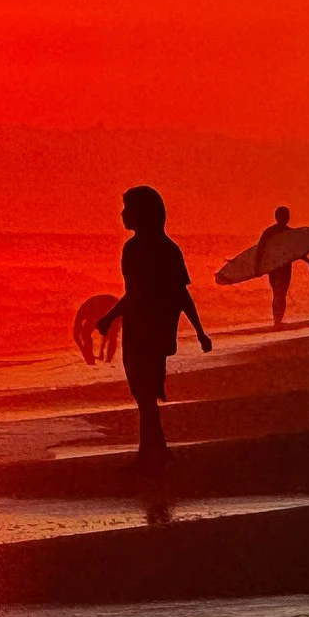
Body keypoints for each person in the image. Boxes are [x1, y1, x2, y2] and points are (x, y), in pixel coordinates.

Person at [94, 185, 212, 470]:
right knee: (147, 393)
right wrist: (199, 331)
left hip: (141, 329)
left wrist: (109, 317)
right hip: (160, 329)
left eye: (128, 208)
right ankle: (156, 450)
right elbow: (180, 293)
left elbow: (138, 294)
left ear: (142, 213)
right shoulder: (169, 248)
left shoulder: (134, 249)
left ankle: (149, 454)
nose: (123, 214)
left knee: (144, 394)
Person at [255, 205, 309, 327]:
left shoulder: (289, 233)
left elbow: (296, 251)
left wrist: (308, 262)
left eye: (287, 216)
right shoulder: (269, 232)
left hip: (286, 267)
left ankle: (278, 320)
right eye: (283, 216)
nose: (286, 218)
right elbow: (260, 249)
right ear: (277, 217)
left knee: (281, 293)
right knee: (277, 293)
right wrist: (257, 266)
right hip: (274, 268)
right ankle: (276, 321)